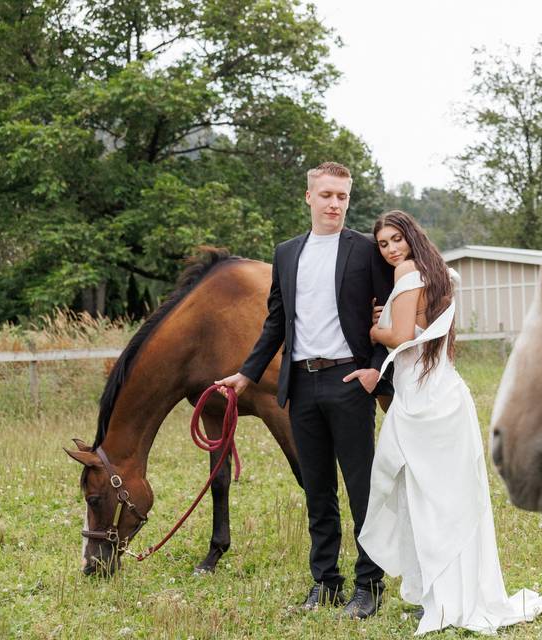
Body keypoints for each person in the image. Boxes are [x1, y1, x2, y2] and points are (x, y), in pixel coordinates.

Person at [358, 210, 542, 635]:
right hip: (445, 395)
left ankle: (443, 596)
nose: (391, 250)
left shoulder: (407, 271)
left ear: (410, 238)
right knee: (450, 498)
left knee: (429, 498)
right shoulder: (436, 273)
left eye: (396, 239)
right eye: (383, 244)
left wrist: (374, 331)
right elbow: (419, 326)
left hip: (425, 401)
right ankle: (452, 590)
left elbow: (404, 336)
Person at [215, 162, 393, 619]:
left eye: (343, 197)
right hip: (300, 384)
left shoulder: (365, 251)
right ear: (309, 197)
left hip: (349, 380)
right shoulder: (287, 253)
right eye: (327, 195)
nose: (335, 204)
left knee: (361, 489)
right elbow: (276, 321)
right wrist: (246, 375)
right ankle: (326, 583)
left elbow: (386, 316)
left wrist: (375, 371)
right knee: (317, 489)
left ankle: (369, 585)